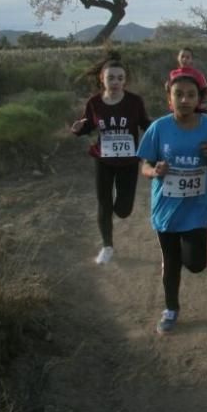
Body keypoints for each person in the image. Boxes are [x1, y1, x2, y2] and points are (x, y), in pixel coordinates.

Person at [136, 73, 207, 334]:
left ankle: (190, 257)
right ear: (169, 99)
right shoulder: (159, 128)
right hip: (165, 208)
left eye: (191, 95)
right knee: (171, 262)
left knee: (196, 264)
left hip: (196, 207)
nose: (185, 100)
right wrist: (155, 171)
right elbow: (145, 165)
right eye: (179, 95)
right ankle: (171, 308)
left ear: (198, 99)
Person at [71, 55, 151, 264]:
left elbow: (144, 123)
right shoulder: (94, 102)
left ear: (125, 80)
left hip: (128, 161)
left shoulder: (134, 102)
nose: (115, 82)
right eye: (111, 78)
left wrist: (162, 132)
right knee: (103, 204)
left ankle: (116, 213)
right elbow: (89, 125)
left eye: (120, 78)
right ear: (102, 79)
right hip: (103, 159)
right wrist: (79, 129)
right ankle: (107, 246)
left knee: (123, 210)